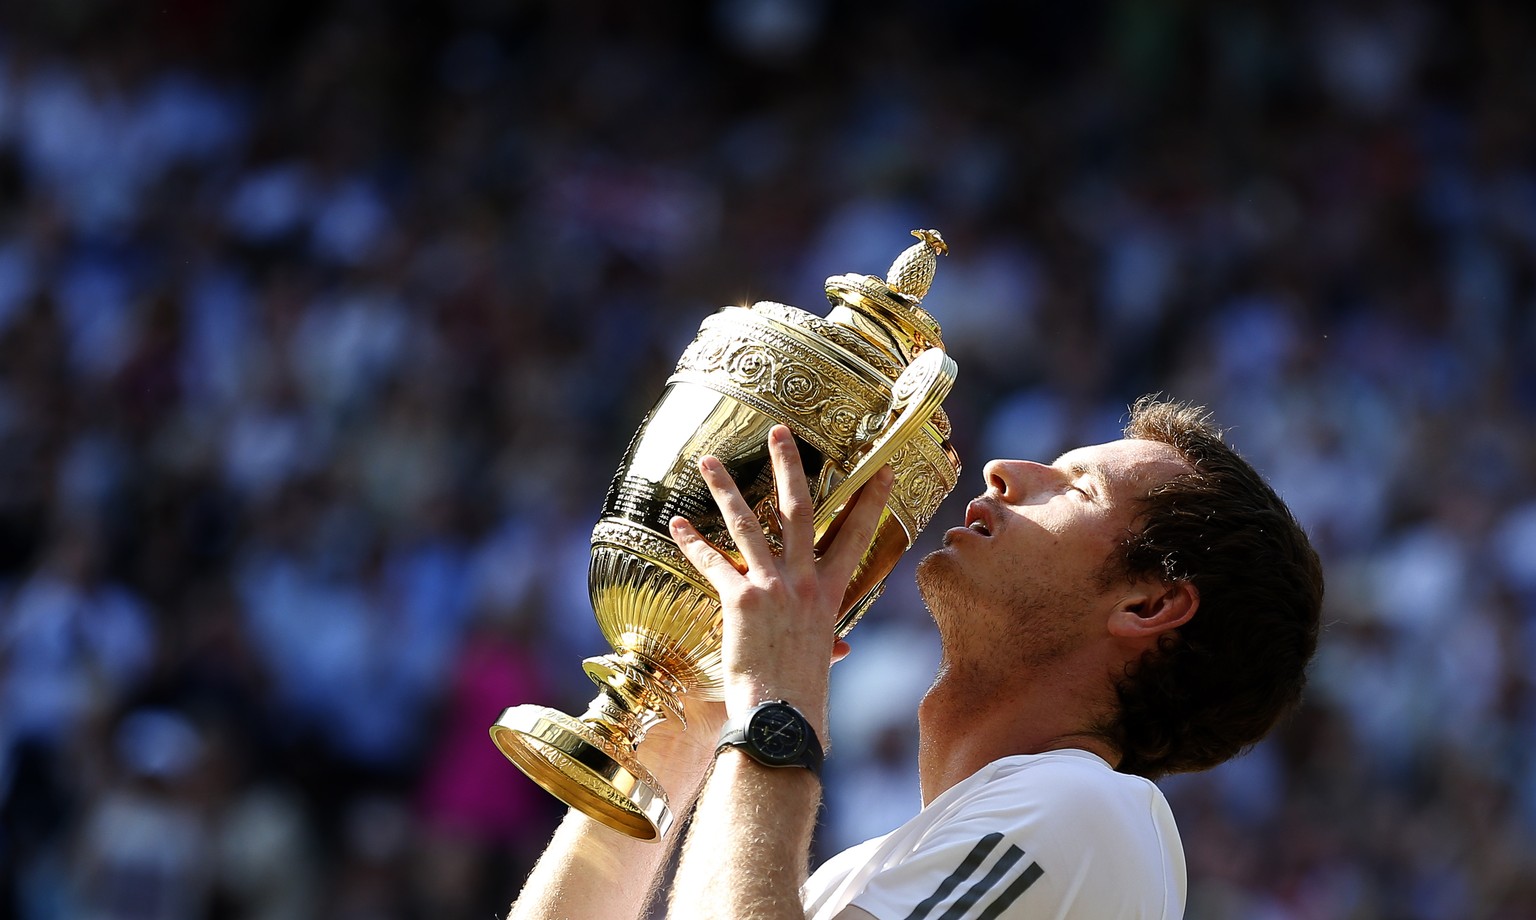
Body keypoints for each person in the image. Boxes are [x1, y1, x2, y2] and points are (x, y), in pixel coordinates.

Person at [507, 395, 1324, 920]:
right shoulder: (855, 876)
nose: (1006, 468)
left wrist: (775, 706)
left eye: (1076, 488)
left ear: (1147, 606)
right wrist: (694, 709)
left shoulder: (1086, 814)